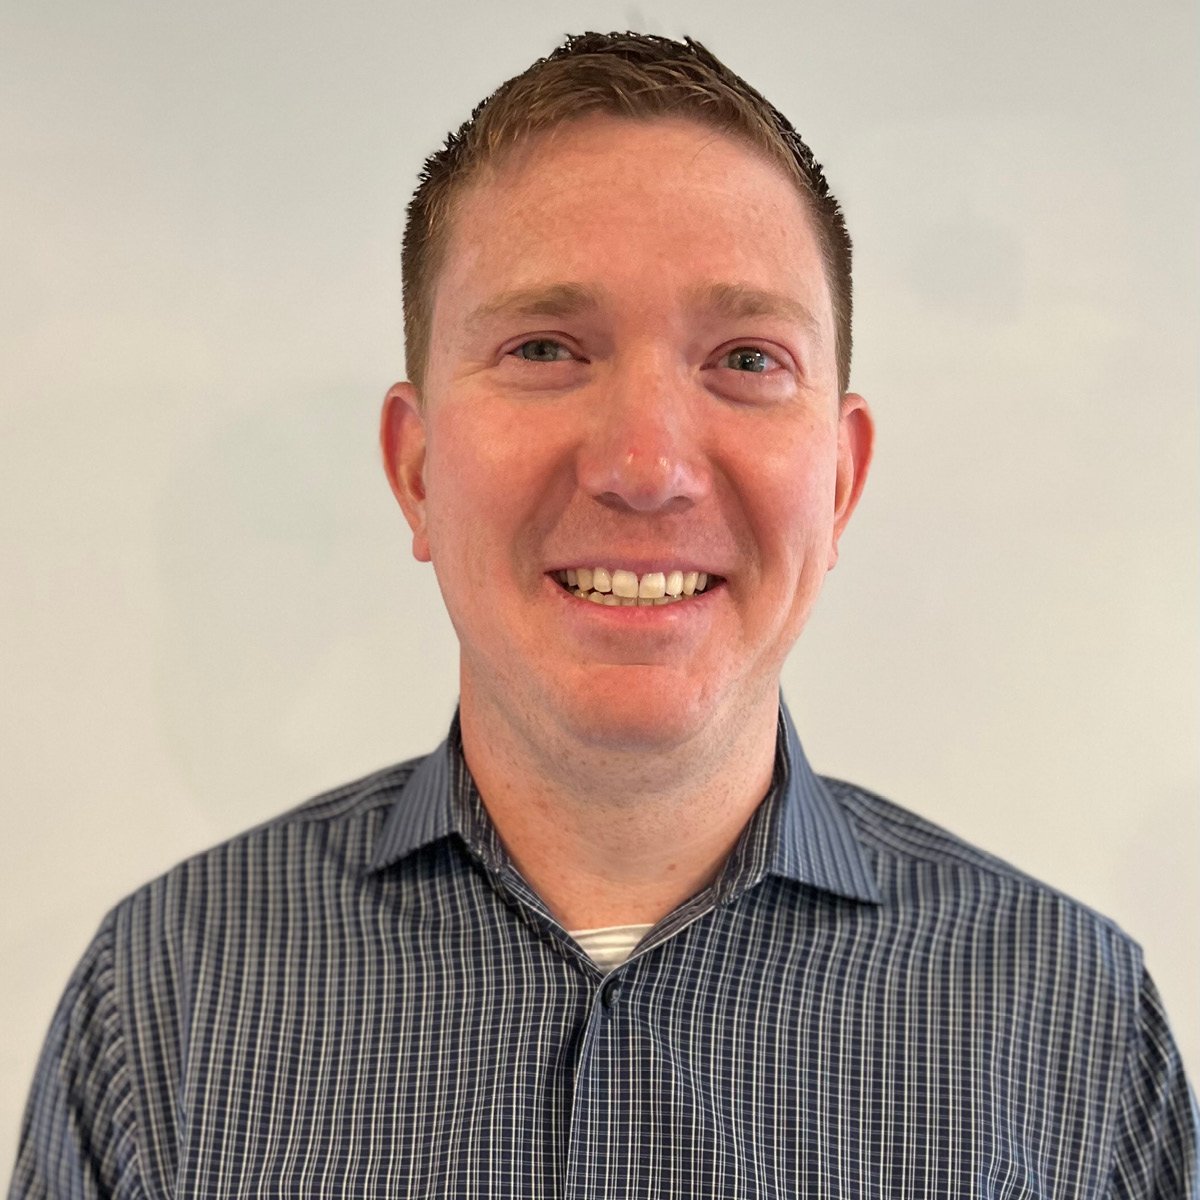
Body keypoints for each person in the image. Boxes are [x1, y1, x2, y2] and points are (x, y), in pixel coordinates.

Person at [10, 31, 1197, 1199]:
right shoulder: (165, 999)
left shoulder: (1077, 1030)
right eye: (545, 348)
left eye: (745, 360)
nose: (645, 466)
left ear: (838, 485)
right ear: (417, 469)